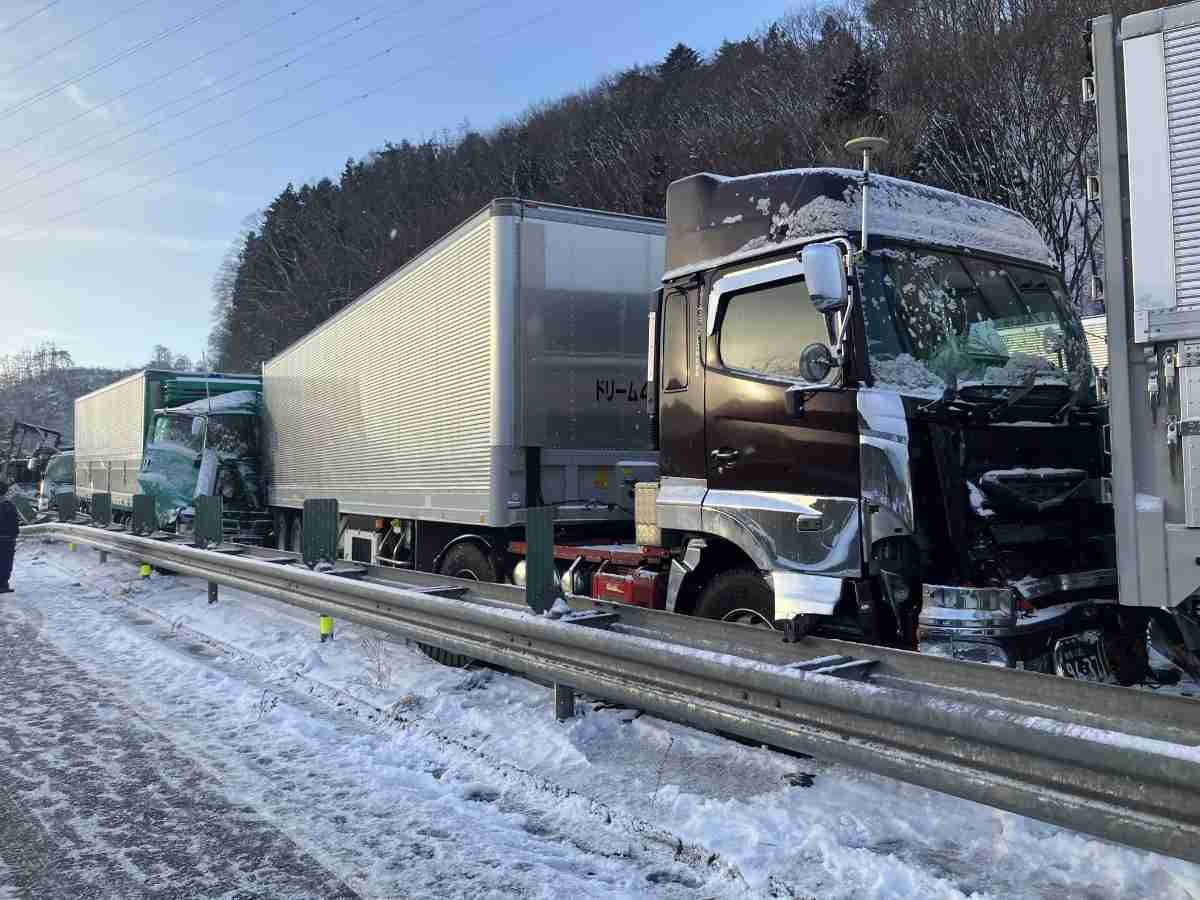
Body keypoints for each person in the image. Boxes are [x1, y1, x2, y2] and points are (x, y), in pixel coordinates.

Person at [0, 481, 17, 593]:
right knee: (5, 562)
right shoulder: (9, 505)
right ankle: (3, 584)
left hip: (6, 537)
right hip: (6, 538)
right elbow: (14, 522)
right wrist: (14, 535)